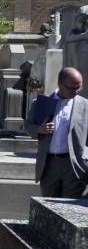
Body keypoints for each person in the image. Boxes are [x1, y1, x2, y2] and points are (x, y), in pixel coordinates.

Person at [24, 67, 88, 198]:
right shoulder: (41, 104)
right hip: (49, 164)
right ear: (60, 84)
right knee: (49, 204)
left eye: (79, 87)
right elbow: (27, 126)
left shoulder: (85, 105)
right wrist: (39, 130)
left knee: (71, 208)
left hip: (74, 164)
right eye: (71, 88)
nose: (75, 91)